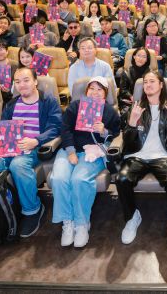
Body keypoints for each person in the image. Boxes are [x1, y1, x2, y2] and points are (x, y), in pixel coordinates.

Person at [0, 67, 62, 238]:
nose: (22, 85)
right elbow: (3, 126)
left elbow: (56, 127)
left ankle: (33, 210)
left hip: (32, 147)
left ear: (35, 81)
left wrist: (36, 140)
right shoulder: (11, 104)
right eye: (17, 82)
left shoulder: (48, 101)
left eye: (26, 80)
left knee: (18, 165)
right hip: (8, 147)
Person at [117, 70, 167, 244]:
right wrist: (132, 122)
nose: (148, 85)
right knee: (122, 179)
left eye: (152, 81)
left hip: (165, 156)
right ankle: (132, 217)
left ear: (161, 85)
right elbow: (127, 141)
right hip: (137, 155)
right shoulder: (135, 107)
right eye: (145, 82)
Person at [50, 76, 120, 248]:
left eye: (100, 89)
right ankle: (68, 222)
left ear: (105, 93)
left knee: (79, 180)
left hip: (93, 153)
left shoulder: (110, 111)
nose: (95, 93)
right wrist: (71, 151)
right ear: (86, 91)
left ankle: (81, 223)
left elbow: (117, 132)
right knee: (58, 179)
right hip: (70, 150)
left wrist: (104, 131)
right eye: (92, 89)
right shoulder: (75, 106)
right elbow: (65, 129)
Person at [119, 47, 152, 114]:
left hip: (146, 101)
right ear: (134, 57)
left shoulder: (151, 74)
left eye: (144, 57)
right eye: (138, 55)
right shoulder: (126, 72)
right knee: (127, 114)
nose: (140, 59)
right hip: (129, 102)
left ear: (147, 59)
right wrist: (131, 96)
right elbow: (123, 90)